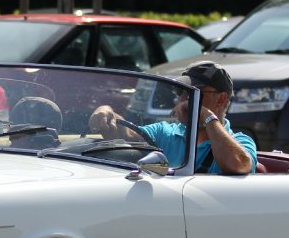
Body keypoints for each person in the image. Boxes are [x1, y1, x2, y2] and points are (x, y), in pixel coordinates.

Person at [88, 61, 257, 174]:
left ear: (220, 99)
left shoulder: (241, 142)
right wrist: (107, 112)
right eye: (181, 92)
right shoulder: (165, 132)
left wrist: (205, 115)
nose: (183, 99)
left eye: (194, 93)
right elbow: (126, 134)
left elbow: (238, 164)